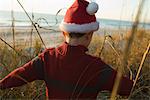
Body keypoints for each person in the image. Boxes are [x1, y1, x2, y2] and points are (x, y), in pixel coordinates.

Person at [0, 0, 133, 99]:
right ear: (89, 35)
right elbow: (127, 88)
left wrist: (1, 84)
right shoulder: (96, 67)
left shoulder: (48, 58)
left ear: (64, 33)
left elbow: (20, 75)